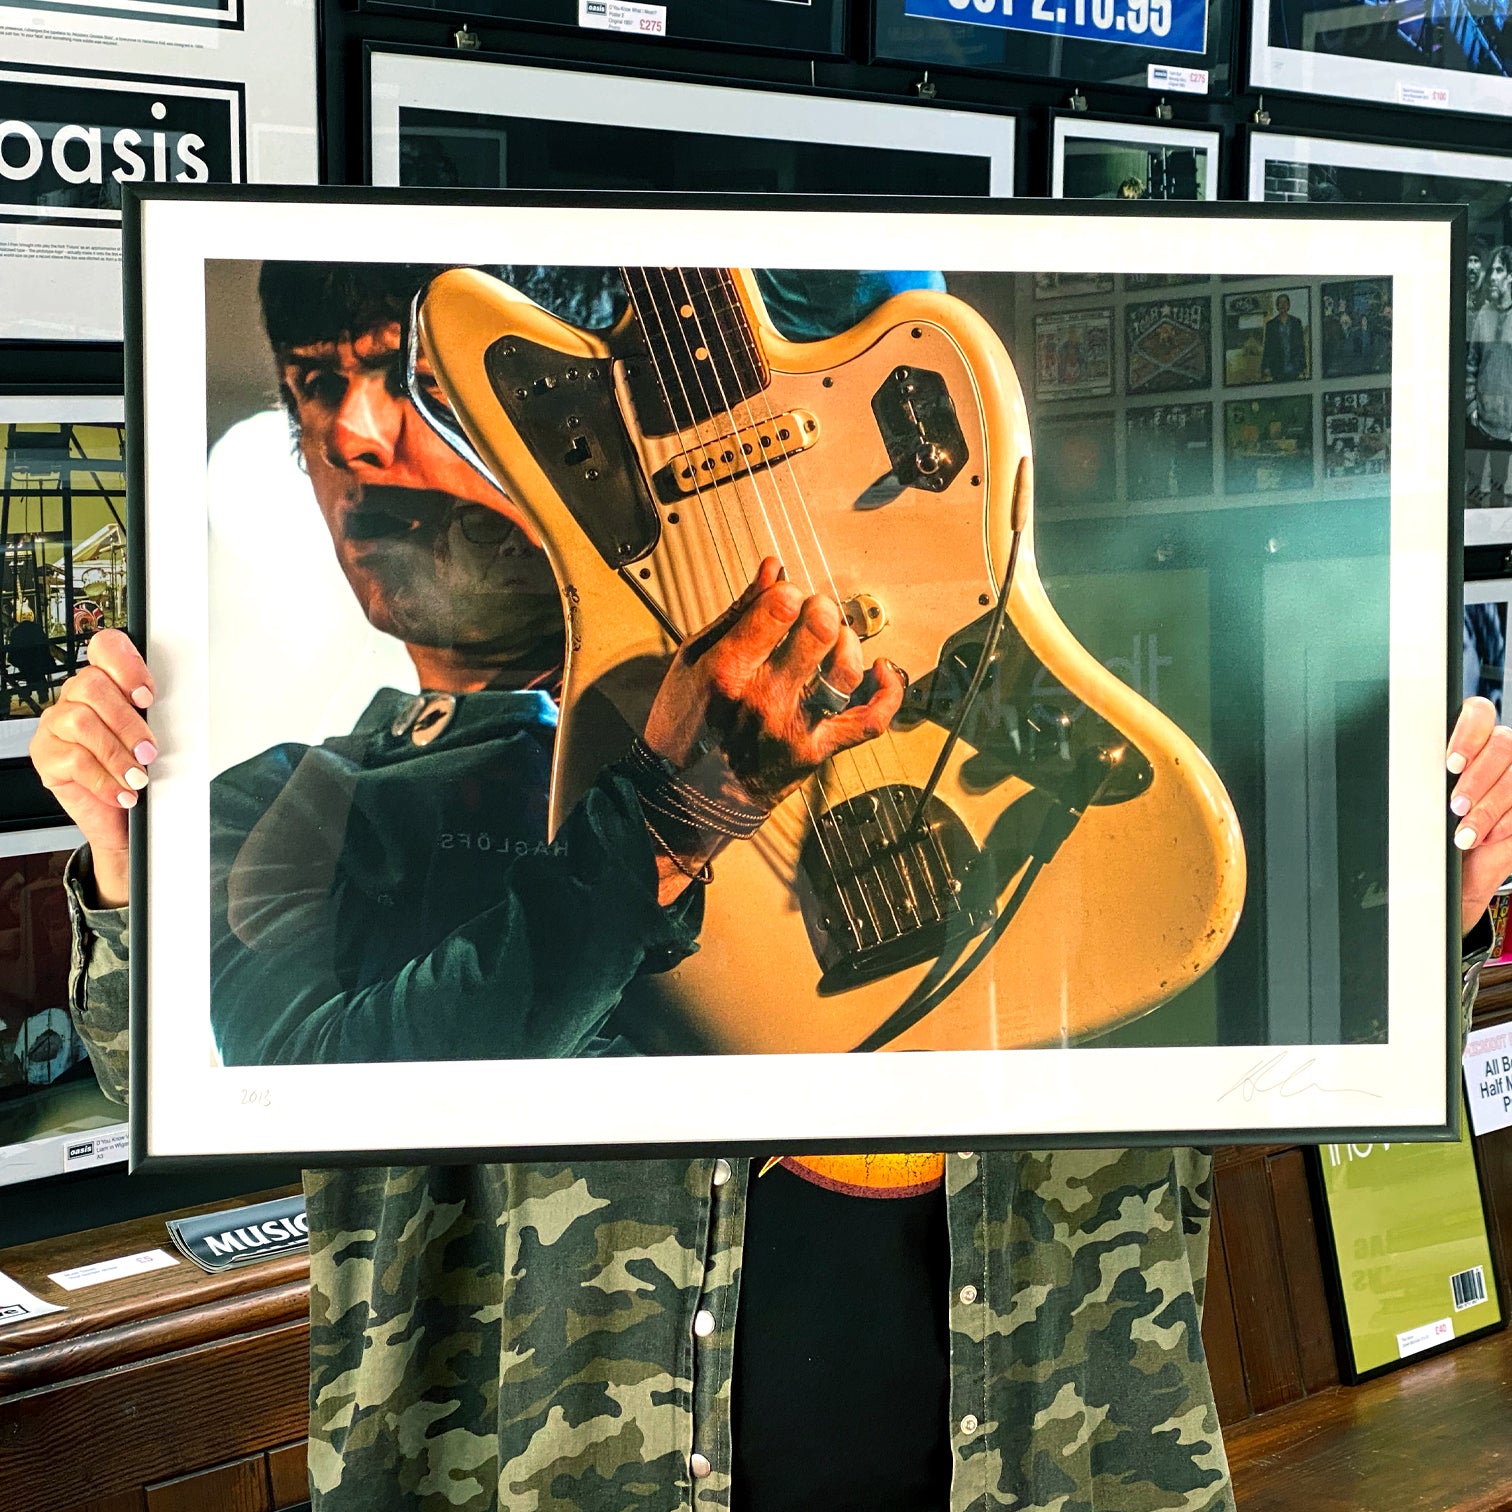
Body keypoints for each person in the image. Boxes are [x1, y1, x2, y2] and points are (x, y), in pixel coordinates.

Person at [35, 263, 1511, 1512]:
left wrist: (1420, 903)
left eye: (407, 383)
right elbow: (257, 1076)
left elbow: (1280, 1051)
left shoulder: (1043, 714)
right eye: (317, 390)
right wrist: (122, 856)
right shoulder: (301, 805)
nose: (367, 433)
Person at [1467, 245, 1512, 504]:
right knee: (1471, 491)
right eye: (1492, 270)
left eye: (1499, 270)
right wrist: (1471, 406)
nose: (1492, 277)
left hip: (1506, 429)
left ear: (1510, 276)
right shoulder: (1483, 315)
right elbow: (1471, 364)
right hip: (1479, 423)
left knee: (1498, 492)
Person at [1259, 292, 1307, 383]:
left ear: (1288, 305)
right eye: (1280, 303)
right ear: (1277, 306)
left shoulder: (1296, 322)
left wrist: (1303, 366)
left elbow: (1301, 345)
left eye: (1285, 303)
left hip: (1294, 366)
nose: (1283, 305)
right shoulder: (1271, 325)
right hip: (1277, 367)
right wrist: (1265, 367)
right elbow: (1268, 346)